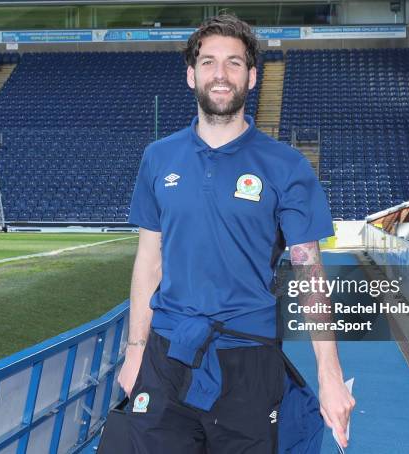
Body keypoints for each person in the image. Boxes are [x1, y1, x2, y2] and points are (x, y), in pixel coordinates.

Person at [118, 13, 355, 453]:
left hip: (248, 358)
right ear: (191, 75)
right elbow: (149, 261)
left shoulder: (285, 166)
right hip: (168, 355)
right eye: (208, 62)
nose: (220, 74)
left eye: (233, 63)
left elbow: (310, 274)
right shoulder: (158, 158)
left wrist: (330, 375)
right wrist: (135, 350)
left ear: (251, 75)